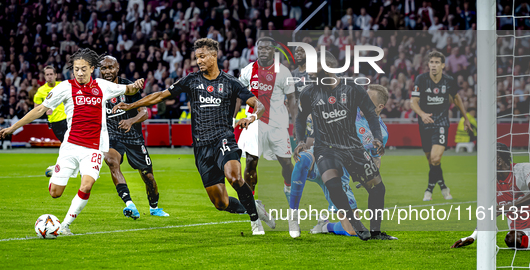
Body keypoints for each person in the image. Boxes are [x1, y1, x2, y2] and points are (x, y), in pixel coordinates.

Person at [113, 38, 268, 235]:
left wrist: (252, 117)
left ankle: (255, 222)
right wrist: (130, 105)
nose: (199, 61)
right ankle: (254, 206)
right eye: (197, 58)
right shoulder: (191, 80)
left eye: (202, 57)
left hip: (224, 139)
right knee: (221, 202)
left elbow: (259, 105)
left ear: (214, 56)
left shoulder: (231, 83)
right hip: (202, 147)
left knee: (235, 177)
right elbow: (160, 95)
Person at [0, 48, 145, 235]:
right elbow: (39, 110)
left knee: (87, 185)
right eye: (76, 69)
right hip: (70, 147)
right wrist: (11, 128)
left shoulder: (102, 86)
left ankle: (64, 226)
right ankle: (55, 170)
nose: (80, 73)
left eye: (84, 69)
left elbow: (129, 89)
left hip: (93, 149)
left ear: (92, 69)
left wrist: (137, 84)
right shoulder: (65, 87)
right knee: (55, 193)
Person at [294, 51, 386, 241]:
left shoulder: (352, 88)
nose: (308, 70)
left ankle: (376, 232)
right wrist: (300, 141)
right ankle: (356, 223)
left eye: (314, 66)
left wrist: (377, 137)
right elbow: (300, 119)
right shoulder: (309, 93)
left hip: (353, 147)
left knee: (378, 189)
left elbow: (370, 113)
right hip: (326, 148)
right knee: (333, 184)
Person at [307, 84, 394, 238]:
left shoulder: (381, 132)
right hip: (330, 167)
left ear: (380, 107)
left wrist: (369, 174)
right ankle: (326, 226)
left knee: (377, 190)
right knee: (352, 230)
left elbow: (375, 157)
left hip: (348, 171)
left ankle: (375, 232)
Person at [237, 36, 297, 230]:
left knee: (287, 164)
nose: (263, 51)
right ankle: (254, 213)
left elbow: (292, 98)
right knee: (251, 162)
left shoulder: (283, 72)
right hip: (253, 124)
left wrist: (294, 124)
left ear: (273, 51)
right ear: (256, 50)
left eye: (267, 48)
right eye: (260, 48)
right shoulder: (248, 71)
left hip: (277, 125)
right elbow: (238, 95)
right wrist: (231, 118)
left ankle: (288, 187)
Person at [451, 143, 530, 250]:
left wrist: (506, 207)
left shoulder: (524, 168)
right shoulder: (490, 184)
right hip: (523, 231)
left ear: (498, 160)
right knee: (511, 239)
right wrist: (473, 236)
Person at [100, 55, 169, 219]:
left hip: (133, 137)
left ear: (117, 68)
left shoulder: (128, 87)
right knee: (111, 161)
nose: (108, 71)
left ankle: (154, 207)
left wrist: (131, 120)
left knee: (148, 176)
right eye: (104, 68)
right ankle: (129, 204)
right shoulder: (96, 88)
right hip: (111, 135)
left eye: (111, 67)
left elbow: (144, 112)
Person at [410, 51, 472, 202]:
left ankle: (428, 190)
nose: (434, 65)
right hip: (424, 124)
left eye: (437, 62)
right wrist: (422, 114)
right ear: (428, 65)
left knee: (435, 158)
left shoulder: (449, 81)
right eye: (431, 62)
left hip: (442, 122)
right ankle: (443, 186)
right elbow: (413, 102)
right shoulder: (421, 79)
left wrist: (466, 117)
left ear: (443, 65)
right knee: (432, 162)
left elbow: (456, 98)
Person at [34, 65, 68, 176]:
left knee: (70, 144)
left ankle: (65, 167)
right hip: (56, 123)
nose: (49, 77)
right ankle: (66, 166)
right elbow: (36, 108)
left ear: (55, 75)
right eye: (47, 75)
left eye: (51, 74)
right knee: (67, 144)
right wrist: (45, 111)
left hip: (69, 119)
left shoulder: (63, 86)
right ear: (44, 76)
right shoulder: (41, 91)